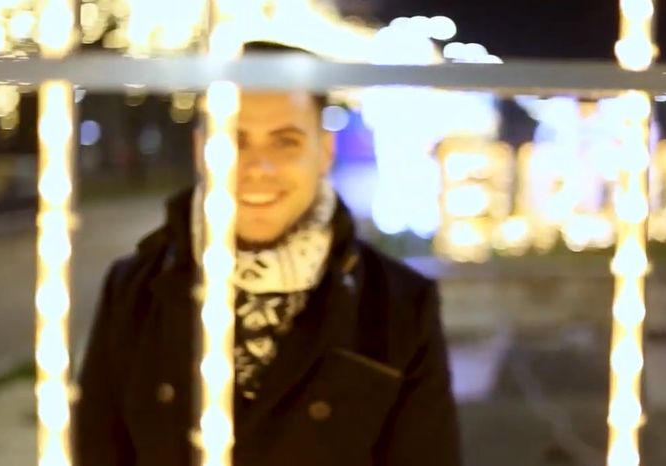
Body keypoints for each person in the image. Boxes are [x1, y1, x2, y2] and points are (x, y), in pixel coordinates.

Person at [72, 42, 460, 466]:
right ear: (201, 150)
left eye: (285, 142)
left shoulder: (399, 306)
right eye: (234, 140)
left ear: (324, 151)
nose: (259, 167)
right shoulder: (133, 292)